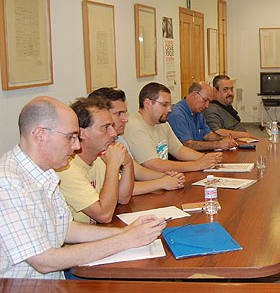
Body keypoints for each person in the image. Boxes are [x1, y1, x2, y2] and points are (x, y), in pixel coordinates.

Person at [0, 96, 165, 279]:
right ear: (40, 135)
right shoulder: (8, 183)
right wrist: (124, 240)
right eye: (70, 137)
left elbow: (67, 229)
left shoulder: (46, 172)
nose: (77, 145)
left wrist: (125, 231)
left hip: (52, 290)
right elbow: (44, 261)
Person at [89, 87, 186, 195]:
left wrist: (166, 176)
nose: (125, 119)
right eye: (119, 113)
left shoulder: (118, 140)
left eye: (125, 113)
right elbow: (121, 191)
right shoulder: (95, 149)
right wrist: (161, 182)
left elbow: (137, 170)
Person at [57, 97, 134, 224]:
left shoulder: (98, 158)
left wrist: (128, 163)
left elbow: (123, 198)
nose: (114, 133)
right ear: (81, 133)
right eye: (105, 128)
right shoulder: (66, 168)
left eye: (112, 126)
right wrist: (113, 165)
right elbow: (104, 215)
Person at [123, 82, 222, 173]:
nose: (170, 110)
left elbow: (179, 150)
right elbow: (154, 165)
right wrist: (197, 165)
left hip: (165, 180)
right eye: (165, 105)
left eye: (170, 105)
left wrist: (206, 158)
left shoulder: (161, 122)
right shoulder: (135, 127)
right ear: (148, 103)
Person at [167, 81, 237, 150]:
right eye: (205, 100)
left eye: (209, 102)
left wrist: (223, 139)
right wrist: (217, 144)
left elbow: (207, 135)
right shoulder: (177, 114)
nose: (207, 106)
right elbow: (187, 145)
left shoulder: (198, 112)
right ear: (195, 94)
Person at [202, 75, 256, 140]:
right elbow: (216, 132)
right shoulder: (211, 109)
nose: (230, 93)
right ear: (215, 91)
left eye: (231, 89)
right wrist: (243, 135)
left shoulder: (225, 105)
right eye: (225, 89)